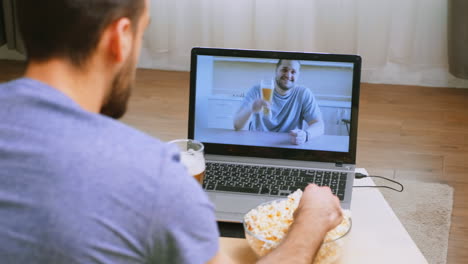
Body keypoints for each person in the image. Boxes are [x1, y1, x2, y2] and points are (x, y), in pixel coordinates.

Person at [0, 0, 342, 263]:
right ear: (120, 38)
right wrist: (313, 216)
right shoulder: (155, 176)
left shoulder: (303, 95)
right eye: (142, 32)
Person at [233, 59, 325, 145]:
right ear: (276, 71)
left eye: (293, 72)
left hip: (287, 146)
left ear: (298, 75)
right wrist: (251, 109)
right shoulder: (257, 90)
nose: (288, 75)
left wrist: (306, 135)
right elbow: (237, 125)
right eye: (284, 70)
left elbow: (319, 125)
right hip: (257, 145)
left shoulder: (304, 94)